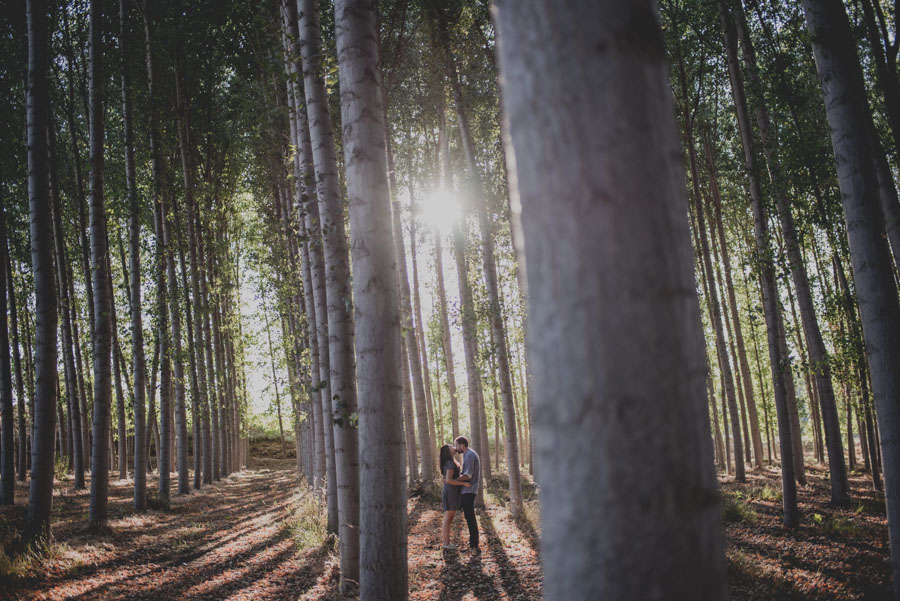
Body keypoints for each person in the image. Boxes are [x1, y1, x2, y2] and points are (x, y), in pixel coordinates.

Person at [439, 444, 470, 550]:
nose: (454, 447)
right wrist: (464, 484)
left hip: (452, 491)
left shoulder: (451, 462)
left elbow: (445, 478)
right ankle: (446, 543)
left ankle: (447, 543)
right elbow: (448, 480)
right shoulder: (450, 463)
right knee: (448, 518)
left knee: (450, 518)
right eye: (451, 447)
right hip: (451, 491)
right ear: (448, 451)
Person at [455, 436, 480, 553]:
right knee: (469, 517)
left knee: (470, 518)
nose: (456, 448)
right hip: (468, 490)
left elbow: (467, 475)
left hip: (469, 491)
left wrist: (453, 480)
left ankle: (474, 546)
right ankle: (473, 544)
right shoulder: (468, 454)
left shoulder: (469, 455)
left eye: (457, 445)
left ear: (462, 445)